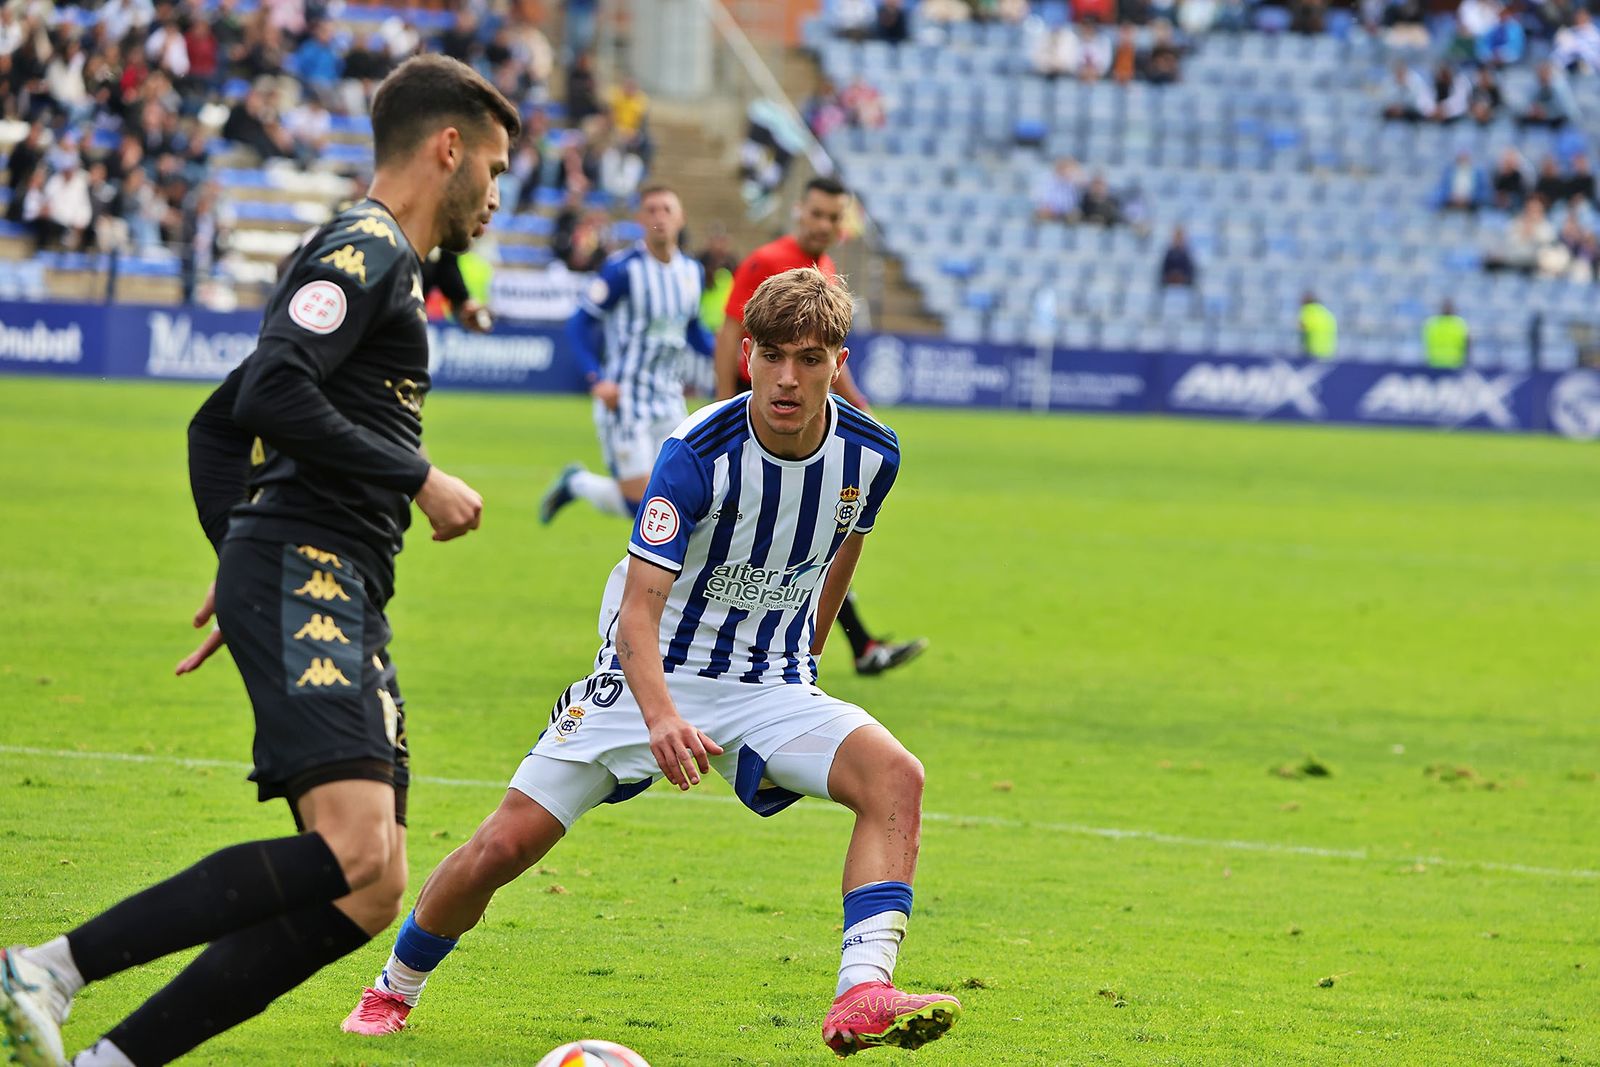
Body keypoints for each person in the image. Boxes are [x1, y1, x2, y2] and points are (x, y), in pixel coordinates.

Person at [0, 55, 517, 1067]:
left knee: (370, 889)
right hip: (311, 567)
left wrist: (238, 551)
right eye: (493, 169)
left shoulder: (391, 266)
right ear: (446, 149)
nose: (496, 197)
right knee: (358, 850)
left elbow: (214, 420)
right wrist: (415, 477)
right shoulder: (362, 247)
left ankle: (111, 1059)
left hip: (327, 576)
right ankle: (49, 966)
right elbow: (270, 394)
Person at [339, 267, 962, 1057]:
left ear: (838, 361)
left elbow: (845, 548)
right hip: (649, 673)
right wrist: (663, 714)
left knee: (895, 775)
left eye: (808, 358)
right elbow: (638, 608)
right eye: (770, 354)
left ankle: (862, 992)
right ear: (746, 355)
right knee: (506, 844)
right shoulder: (697, 451)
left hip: (769, 683)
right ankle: (393, 987)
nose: (786, 376)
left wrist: (808, 651)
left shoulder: (873, 455)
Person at [713, 177, 927, 677]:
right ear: (799, 213)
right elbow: (731, 331)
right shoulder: (767, 262)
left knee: (812, 539)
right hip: (758, 420)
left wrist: (857, 405)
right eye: (818, 215)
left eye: (836, 217)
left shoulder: (826, 272)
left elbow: (825, 358)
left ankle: (823, 650)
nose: (826, 225)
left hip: (809, 431)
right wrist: (723, 407)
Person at [540, 184, 713, 524]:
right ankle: (577, 483)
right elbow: (578, 324)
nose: (659, 217)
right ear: (639, 218)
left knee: (680, 498)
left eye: (666, 209)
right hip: (624, 400)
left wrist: (732, 357)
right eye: (651, 210)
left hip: (668, 398)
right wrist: (597, 379)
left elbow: (692, 330)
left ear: (681, 218)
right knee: (642, 506)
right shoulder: (622, 270)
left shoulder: (692, 272)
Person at [1423, 300, 1470, 368]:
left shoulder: (1432, 323)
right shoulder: (1459, 323)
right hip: (1454, 363)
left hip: (1435, 363)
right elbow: (1468, 343)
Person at [1300, 292, 1338, 359]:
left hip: (1313, 351)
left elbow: (1303, 327)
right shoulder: (1326, 312)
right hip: (1328, 352)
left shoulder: (1308, 310)